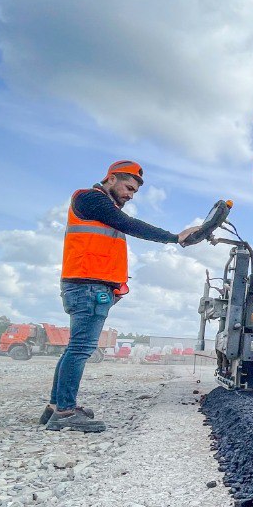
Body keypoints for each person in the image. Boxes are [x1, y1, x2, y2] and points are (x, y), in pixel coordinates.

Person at [43, 160, 201, 433]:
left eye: (134, 192)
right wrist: (175, 238)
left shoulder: (101, 209)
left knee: (75, 348)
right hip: (86, 287)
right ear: (112, 178)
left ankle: (56, 407)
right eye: (128, 187)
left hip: (88, 286)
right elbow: (128, 224)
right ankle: (65, 413)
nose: (130, 194)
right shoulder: (90, 198)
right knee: (80, 349)